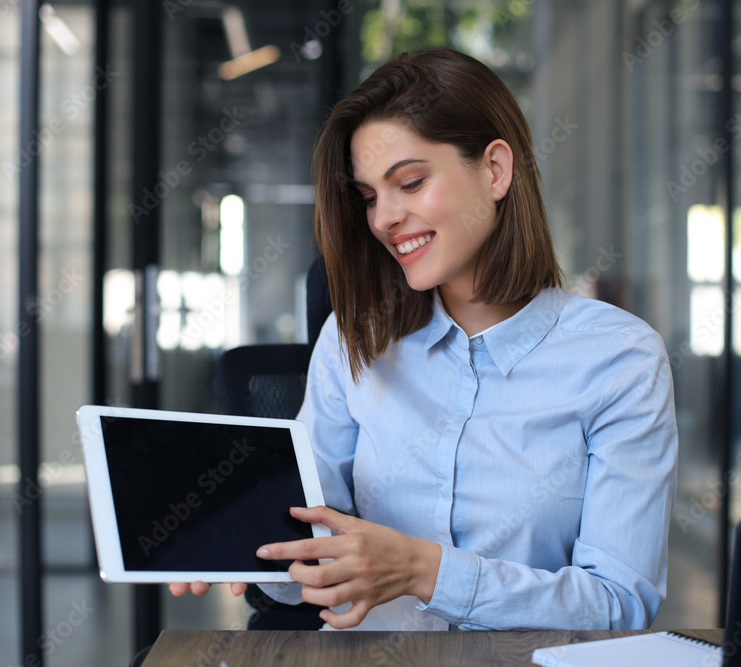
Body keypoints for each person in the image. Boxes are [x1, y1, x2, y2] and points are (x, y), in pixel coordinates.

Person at [171, 46, 678, 632]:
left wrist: (425, 571)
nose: (384, 217)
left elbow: (618, 604)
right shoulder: (352, 339)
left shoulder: (619, 359)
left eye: (409, 182)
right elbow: (302, 557)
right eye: (368, 197)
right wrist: (239, 543)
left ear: (495, 170)